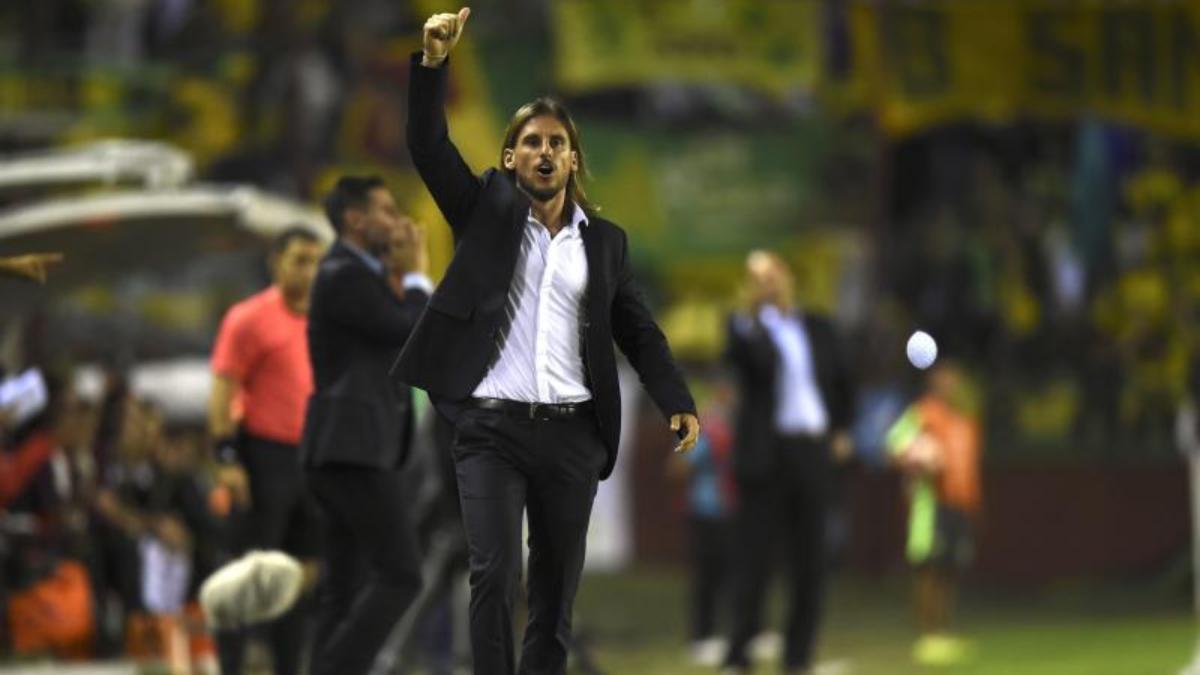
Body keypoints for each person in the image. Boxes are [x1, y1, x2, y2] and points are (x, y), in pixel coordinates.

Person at [393, 9, 699, 675]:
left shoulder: (606, 243)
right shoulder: (484, 212)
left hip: (571, 435)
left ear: (573, 158)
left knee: (555, 598)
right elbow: (426, 144)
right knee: (495, 575)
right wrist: (433, 64)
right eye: (531, 141)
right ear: (511, 158)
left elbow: (638, 330)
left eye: (556, 142)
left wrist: (676, 397)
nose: (543, 151)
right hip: (491, 430)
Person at [300, 175, 432, 675]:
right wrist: (417, 273)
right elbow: (407, 327)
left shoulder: (362, 275)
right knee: (402, 574)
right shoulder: (342, 275)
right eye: (386, 210)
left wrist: (403, 275)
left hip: (345, 449)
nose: (398, 220)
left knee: (345, 587)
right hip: (352, 450)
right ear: (355, 219)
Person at [722, 250, 854, 675]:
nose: (768, 283)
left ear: (789, 277)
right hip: (767, 452)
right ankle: (739, 654)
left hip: (812, 449)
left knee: (812, 558)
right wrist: (758, 317)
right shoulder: (744, 328)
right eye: (757, 277)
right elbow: (751, 365)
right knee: (755, 558)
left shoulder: (817, 326)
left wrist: (842, 431)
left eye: (773, 274)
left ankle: (798, 657)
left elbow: (842, 380)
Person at [206, 226, 323, 675]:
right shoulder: (249, 318)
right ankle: (231, 663)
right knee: (250, 568)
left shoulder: (324, 320)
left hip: (310, 458)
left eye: (315, 261)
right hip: (264, 455)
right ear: (276, 262)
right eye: (299, 260)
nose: (309, 272)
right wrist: (226, 458)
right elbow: (222, 390)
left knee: (297, 575)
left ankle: (289, 665)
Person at [886, 361, 982, 667]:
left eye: (955, 381)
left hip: (960, 504)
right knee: (929, 568)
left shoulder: (966, 421)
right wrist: (917, 457)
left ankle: (944, 633)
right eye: (945, 381)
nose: (951, 387)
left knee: (951, 568)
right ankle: (927, 636)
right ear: (935, 384)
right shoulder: (924, 412)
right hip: (931, 503)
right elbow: (894, 442)